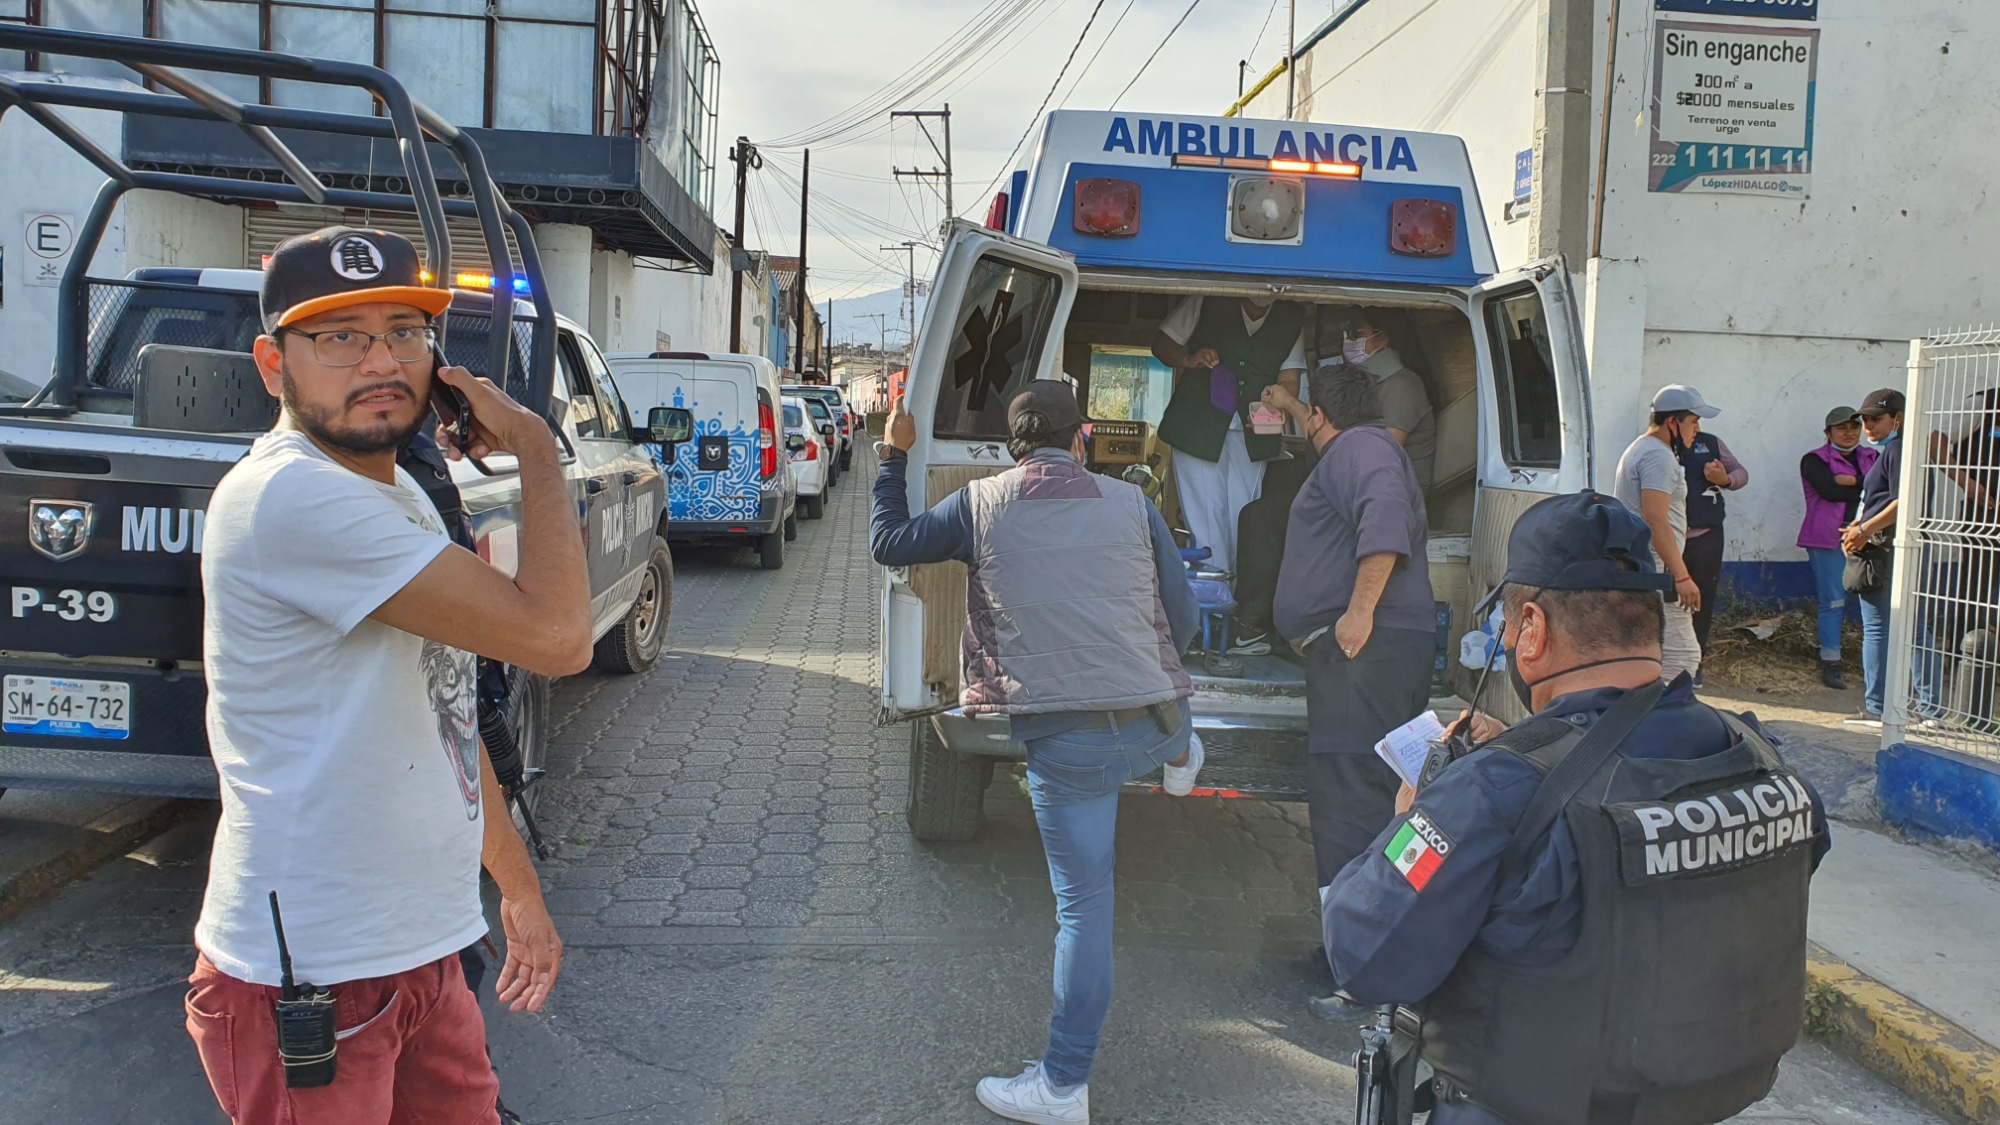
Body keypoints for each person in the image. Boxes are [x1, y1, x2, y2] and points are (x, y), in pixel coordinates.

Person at [188, 227, 583, 1124]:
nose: (381, 361)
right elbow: (560, 637)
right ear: (272, 365)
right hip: (312, 978)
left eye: (405, 332)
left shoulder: (396, 493)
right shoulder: (291, 496)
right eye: (340, 337)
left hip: (422, 955)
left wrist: (516, 886)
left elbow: (441, 716)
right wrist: (535, 445)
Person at [1321, 491, 1829, 1124]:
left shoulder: (1486, 792)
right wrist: (1531, 747)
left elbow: (1362, 954)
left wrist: (1412, 820)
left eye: (1507, 627)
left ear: (1532, 629)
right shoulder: (1756, 755)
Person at [870, 381, 1201, 1125]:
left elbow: (889, 542)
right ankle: (1182, 749)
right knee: (1168, 721)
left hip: (1067, 741)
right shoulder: (1132, 503)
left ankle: (1063, 1087)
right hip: (1150, 718)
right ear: (1081, 437)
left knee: (1085, 911)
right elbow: (1179, 614)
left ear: (1011, 447)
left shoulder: (979, 504)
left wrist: (893, 455)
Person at [1260, 368, 1434, 936]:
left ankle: (1354, 947)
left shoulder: (1360, 448)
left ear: (1320, 417)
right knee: (1381, 795)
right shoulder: (1364, 444)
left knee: (1351, 800)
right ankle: (1383, 936)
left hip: (1365, 655)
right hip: (1375, 654)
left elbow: (1385, 514)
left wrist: (1358, 612)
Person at [1151, 294, 1307, 595]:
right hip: (1196, 426)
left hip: (1254, 431)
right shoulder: (1209, 297)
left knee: (1244, 518)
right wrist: (1189, 359)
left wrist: (1278, 407)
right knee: (1207, 519)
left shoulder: (1291, 316)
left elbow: (1289, 379)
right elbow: (1162, 344)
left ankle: (1237, 600)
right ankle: (1214, 601)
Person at [1844, 387, 1940, 726]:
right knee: (1912, 628)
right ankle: (1926, 709)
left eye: (1876, 418)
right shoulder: (1899, 450)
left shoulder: (1899, 449)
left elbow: (1904, 503)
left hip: (1888, 548)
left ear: (1898, 418)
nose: (1868, 426)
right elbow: (1883, 499)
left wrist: (1864, 530)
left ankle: (1880, 708)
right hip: (1895, 546)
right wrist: (1858, 526)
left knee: (1882, 629)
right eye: (1865, 419)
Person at [1613, 385, 1716, 684]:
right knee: (1683, 659)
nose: (1697, 430)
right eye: (1693, 421)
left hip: (1642, 564)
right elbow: (1655, 519)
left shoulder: (1643, 448)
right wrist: (1682, 577)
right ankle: (1668, 711)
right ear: (1673, 422)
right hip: (1655, 567)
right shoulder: (1659, 457)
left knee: (1648, 654)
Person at [1799, 407, 1876, 689]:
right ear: (1827, 432)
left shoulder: (1872, 456)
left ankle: (1873, 663)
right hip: (1828, 537)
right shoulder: (1814, 460)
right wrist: (1865, 486)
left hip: (1868, 535)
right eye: (1841, 428)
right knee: (1833, 601)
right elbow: (1830, 492)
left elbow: (1885, 489)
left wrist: (1854, 481)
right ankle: (1831, 662)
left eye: (1854, 427)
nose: (1849, 433)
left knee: (1874, 601)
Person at [1342, 315, 1438, 490]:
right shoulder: (1368, 383)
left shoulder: (1402, 385)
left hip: (1401, 491)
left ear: (1383, 338)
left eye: (1357, 334)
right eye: (1347, 334)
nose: (1349, 341)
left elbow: (1383, 454)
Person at [1680, 421, 1748, 656]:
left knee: (1702, 598)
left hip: (1706, 536)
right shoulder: (1657, 447)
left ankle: (1695, 656)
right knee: (1665, 600)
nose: (1697, 427)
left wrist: (1725, 479)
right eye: (1691, 420)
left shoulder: (1710, 443)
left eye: (1697, 421)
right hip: (1667, 538)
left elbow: (1740, 472)